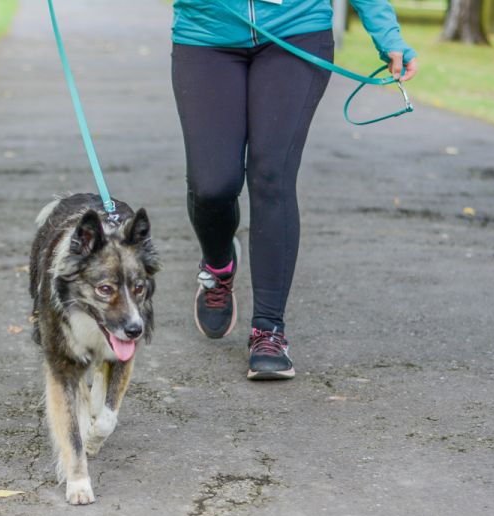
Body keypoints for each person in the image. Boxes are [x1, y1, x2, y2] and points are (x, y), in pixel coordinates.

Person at [171, 0, 418, 380]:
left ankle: (268, 330)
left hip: (295, 30)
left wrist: (387, 35)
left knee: (272, 175)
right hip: (207, 33)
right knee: (212, 186)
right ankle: (218, 266)